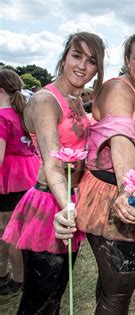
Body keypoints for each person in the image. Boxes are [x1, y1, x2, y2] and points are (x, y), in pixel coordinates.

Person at [54, 30, 135, 314]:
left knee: (113, 285)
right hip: (111, 196)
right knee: (121, 286)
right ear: (127, 61)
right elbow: (122, 137)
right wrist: (127, 189)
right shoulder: (119, 89)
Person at [2, 31, 105, 313]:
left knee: (55, 297)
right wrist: (68, 205)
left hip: (69, 200)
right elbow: (52, 161)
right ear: (64, 57)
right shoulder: (47, 101)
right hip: (50, 203)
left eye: (92, 60)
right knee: (38, 302)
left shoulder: (75, 98)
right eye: (77, 56)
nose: (83, 66)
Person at [0, 69, 39, 296]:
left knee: (9, 231)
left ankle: (17, 279)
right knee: (13, 229)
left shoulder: (3, 115)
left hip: (9, 178)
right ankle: (8, 274)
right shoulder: (20, 112)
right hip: (27, 173)